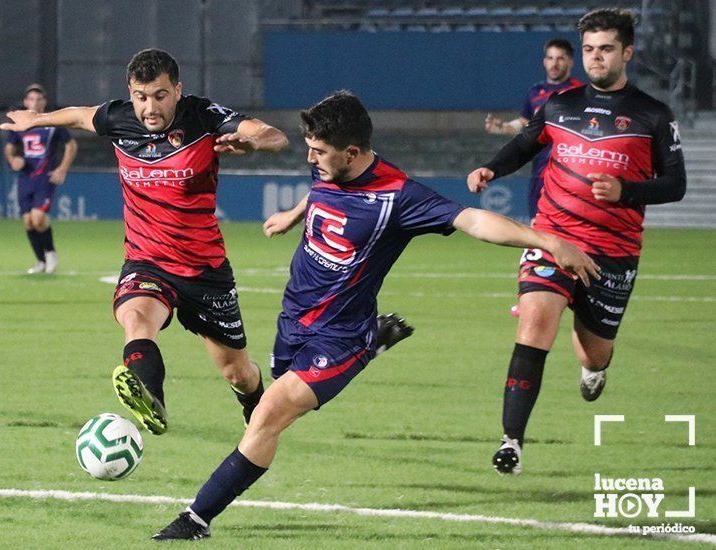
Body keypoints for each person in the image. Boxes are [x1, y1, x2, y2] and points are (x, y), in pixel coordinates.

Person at [152, 91, 600, 540]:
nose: (310, 157)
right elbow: (323, 190)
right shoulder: (328, 162)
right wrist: (294, 212)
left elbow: (474, 221)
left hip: (340, 335)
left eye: (319, 151)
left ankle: (195, 519)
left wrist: (547, 241)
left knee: (268, 415)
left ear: (352, 152)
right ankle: (376, 342)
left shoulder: (398, 196)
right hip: (294, 319)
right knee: (271, 405)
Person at [1, 49, 290, 434]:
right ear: (130, 93)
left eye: (160, 95)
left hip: (204, 270)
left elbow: (273, 135)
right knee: (136, 320)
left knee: (237, 373)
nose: (149, 107)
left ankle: (254, 405)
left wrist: (253, 143)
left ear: (177, 90)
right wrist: (36, 120)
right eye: (141, 96)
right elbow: (78, 114)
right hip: (147, 261)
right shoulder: (119, 118)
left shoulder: (202, 116)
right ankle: (151, 398)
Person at [467, 8, 686, 475]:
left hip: (613, 253)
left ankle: (594, 367)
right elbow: (525, 144)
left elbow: (675, 185)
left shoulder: (653, 115)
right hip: (554, 237)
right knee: (534, 325)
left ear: (627, 52)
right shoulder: (559, 105)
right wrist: (492, 167)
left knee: (594, 350)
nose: (595, 58)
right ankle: (512, 443)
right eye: (589, 49)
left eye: (605, 49)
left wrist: (628, 191)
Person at [484, 38, 582, 317]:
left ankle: (574, 290)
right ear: (544, 61)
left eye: (560, 58)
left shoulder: (580, 92)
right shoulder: (536, 92)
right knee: (536, 232)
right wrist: (503, 128)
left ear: (570, 62)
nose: (555, 63)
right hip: (539, 172)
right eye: (550, 58)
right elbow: (527, 126)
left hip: (569, 172)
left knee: (570, 231)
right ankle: (531, 293)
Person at [3, 83, 78, 274]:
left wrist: (62, 169)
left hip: (45, 178)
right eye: (31, 99)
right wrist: (13, 160)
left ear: (44, 102)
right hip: (25, 177)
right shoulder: (20, 124)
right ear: (26, 102)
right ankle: (40, 261)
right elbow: (10, 148)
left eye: (39, 99)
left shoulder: (51, 123)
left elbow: (71, 145)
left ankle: (51, 253)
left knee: (38, 218)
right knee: (28, 221)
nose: (35, 102)